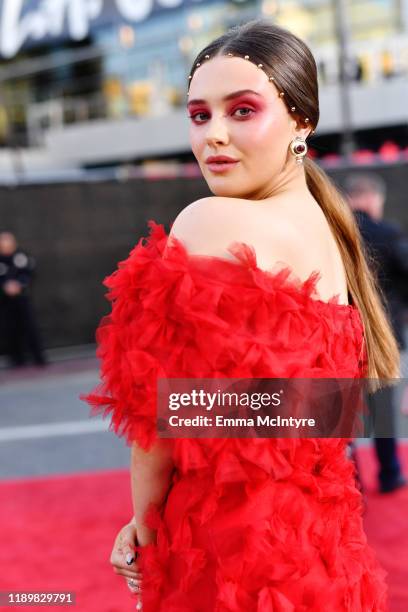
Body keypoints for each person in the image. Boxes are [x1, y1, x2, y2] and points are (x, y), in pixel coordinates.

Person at [81, 19, 400, 610]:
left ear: (302, 121)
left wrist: (146, 530)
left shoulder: (213, 221)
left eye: (243, 110)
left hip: (232, 555)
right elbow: (319, 410)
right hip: (325, 553)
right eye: (200, 116)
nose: (213, 137)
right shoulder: (332, 234)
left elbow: (164, 418)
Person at [345, 173, 408, 494]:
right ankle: (389, 474)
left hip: (343, 337)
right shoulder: (389, 233)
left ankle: (349, 479)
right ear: (373, 199)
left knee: (343, 414)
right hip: (384, 337)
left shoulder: (335, 236)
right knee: (383, 411)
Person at [0, 231, 47, 367]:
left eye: (7, 241)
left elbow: (29, 272)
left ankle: (39, 358)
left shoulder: (22, 257)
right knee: (10, 329)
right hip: (5, 302)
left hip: (22, 299)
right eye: (2, 241)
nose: (5, 244)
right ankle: (17, 360)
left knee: (30, 327)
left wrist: (19, 284)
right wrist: (5, 286)